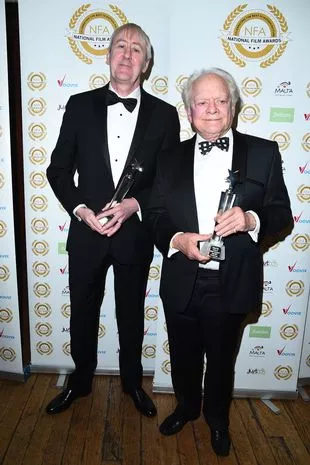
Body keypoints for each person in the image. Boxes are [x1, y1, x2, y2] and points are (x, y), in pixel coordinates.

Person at [144, 68, 293, 455]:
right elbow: (156, 215)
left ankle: (217, 420)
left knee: (222, 362)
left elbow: (281, 214)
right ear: (189, 111)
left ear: (233, 106)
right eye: (202, 102)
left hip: (233, 280)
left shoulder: (263, 152)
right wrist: (178, 240)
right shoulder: (168, 157)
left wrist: (250, 220)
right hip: (183, 277)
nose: (212, 109)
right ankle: (187, 407)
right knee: (183, 356)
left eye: (220, 101)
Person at [45, 23, 180, 417]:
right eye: (120, 46)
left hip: (133, 235)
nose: (126, 54)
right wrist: (82, 211)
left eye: (136, 49)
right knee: (82, 312)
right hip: (85, 235)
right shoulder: (79, 104)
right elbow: (58, 170)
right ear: (107, 55)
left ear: (147, 62)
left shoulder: (165, 115)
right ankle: (80, 382)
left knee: (131, 315)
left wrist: (133, 205)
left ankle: (132, 384)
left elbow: (167, 182)